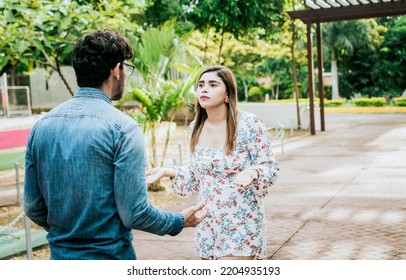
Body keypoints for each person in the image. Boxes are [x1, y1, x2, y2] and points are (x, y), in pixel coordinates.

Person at [23, 29, 207, 260]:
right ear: (116, 70)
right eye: (126, 68)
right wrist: (179, 221)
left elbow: (32, 207)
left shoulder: (41, 126)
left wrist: (67, 234)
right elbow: (135, 213)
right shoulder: (123, 129)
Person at [146, 65, 280, 260]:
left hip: (242, 220)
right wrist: (168, 172)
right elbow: (194, 176)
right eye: (201, 85)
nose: (204, 89)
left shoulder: (249, 124)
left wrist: (253, 173)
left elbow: (269, 166)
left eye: (213, 84)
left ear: (228, 93)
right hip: (207, 221)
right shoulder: (195, 128)